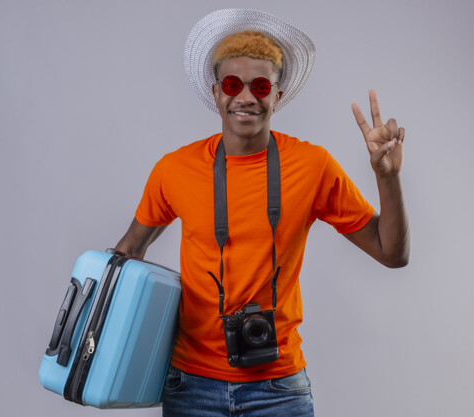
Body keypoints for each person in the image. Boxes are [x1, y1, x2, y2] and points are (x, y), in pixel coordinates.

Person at [115, 9, 409, 417]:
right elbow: (128, 252)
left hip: (279, 388)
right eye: (233, 84)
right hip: (190, 384)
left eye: (261, 85)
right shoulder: (174, 169)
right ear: (216, 92)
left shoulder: (312, 165)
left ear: (278, 95)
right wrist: (98, 350)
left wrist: (387, 178)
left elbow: (392, 253)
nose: (246, 97)